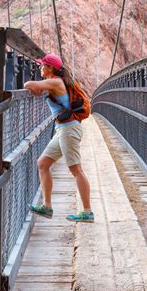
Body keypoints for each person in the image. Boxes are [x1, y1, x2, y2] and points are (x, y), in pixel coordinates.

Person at [23, 53, 94, 223]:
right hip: (63, 129)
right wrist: (39, 89)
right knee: (43, 164)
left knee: (76, 170)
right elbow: (41, 89)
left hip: (68, 129)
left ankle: (87, 211)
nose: (40, 68)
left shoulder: (55, 81)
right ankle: (47, 207)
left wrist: (36, 87)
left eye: (43, 65)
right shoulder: (55, 82)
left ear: (51, 68)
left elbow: (28, 84)